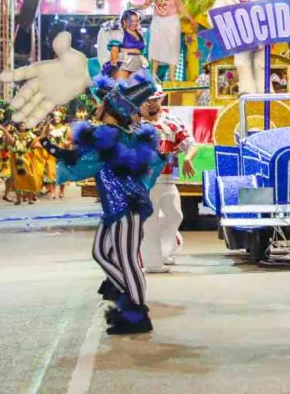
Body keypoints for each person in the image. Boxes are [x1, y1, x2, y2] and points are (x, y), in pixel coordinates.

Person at [43, 76, 164, 335]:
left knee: (128, 260)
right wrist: (62, 153)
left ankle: (137, 312)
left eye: (103, 102)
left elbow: (85, 162)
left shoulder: (111, 136)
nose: (97, 105)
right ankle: (128, 298)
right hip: (115, 209)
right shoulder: (119, 134)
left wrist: (61, 154)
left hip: (125, 207)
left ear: (111, 109)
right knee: (101, 253)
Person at [140, 89, 198, 273]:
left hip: (167, 177)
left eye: (154, 100)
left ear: (161, 99)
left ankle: (165, 249)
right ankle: (152, 262)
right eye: (147, 100)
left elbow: (191, 143)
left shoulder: (172, 122)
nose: (150, 103)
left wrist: (188, 158)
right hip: (143, 180)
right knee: (149, 221)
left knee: (175, 215)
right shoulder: (134, 124)